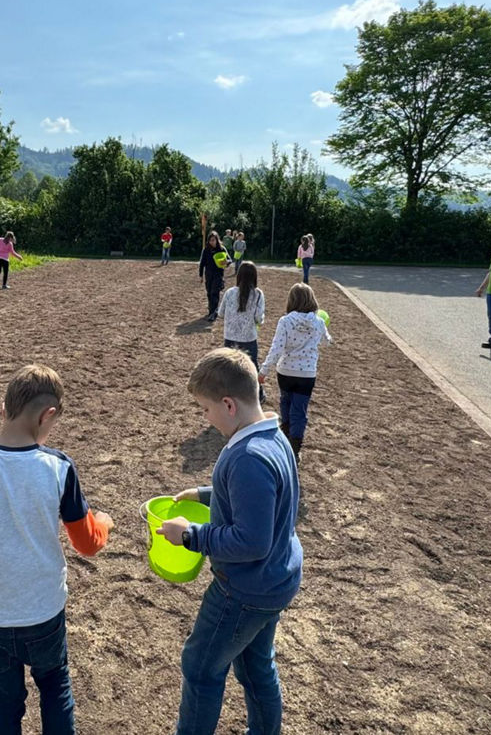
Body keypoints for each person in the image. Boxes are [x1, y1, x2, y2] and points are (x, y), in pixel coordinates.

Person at [0, 364, 114, 735]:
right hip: (43, 610)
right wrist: (104, 523)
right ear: (48, 415)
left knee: (3, 701)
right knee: (54, 687)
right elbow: (87, 543)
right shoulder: (59, 467)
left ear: (4, 409)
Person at [156, 347, 301, 735]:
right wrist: (206, 494)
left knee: (201, 667)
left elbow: (252, 541)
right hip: (275, 581)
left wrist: (189, 535)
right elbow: (259, 497)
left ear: (228, 404)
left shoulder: (247, 457)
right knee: (256, 666)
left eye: (205, 410)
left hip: (244, 589)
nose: (206, 418)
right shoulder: (272, 433)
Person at [258, 282, 331, 463]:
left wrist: (264, 370)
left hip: (286, 372)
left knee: (285, 402)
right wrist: (326, 331)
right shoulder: (319, 322)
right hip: (307, 373)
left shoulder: (286, 321)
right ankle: (295, 449)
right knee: (300, 410)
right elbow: (327, 342)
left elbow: (276, 348)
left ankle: (285, 436)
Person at [220, 261, 265, 374]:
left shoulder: (229, 292)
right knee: (252, 368)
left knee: (229, 370)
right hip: (248, 338)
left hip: (230, 337)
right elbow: (259, 318)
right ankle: (258, 392)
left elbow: (221, 313)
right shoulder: (258, 294)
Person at [198, 230, 228, 322]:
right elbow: (202, 263)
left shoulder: (222, 249)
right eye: (210, 240)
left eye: (213, 240)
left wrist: (226, 262)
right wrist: (201, 275)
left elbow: (229, 259)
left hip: (218, 274)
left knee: (215, 293)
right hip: (209, 274)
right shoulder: (206, 250)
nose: (212, 242)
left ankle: (213, 313)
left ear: (217, 240)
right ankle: (212, 309)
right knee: (209, 293)